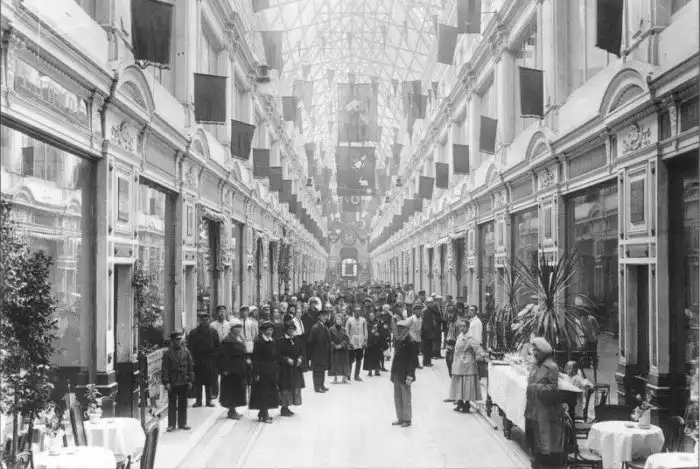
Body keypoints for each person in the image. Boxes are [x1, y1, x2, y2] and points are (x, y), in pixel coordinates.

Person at [525, 337, 564, 469]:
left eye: (536, 350)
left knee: (543, 444)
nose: (534, 353)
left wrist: (537, 388)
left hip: (544, 412)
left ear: (543, 352)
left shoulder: (551, 367)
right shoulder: (535, 365)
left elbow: (554, 390)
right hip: (532, 410)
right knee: (533, 442)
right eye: (533, 350)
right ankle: (534, 462)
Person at [161, 330, 193, 432]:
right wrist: (166, 382)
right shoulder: (167, 353)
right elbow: (165, 369)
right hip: (173, 382)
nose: (179, 341)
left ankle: (183, 423)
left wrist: (190, 380)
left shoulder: (186, 352)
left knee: (183, 404)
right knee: (172, 404)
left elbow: (190, 367)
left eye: (180, 339)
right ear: (172, 341)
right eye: (176, 340)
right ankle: (171, 424)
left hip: (183, 381)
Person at [188, 313, 221, 407]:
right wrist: (192, 360)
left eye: (206, 320)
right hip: (197, 361)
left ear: (209, 321)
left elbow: (218, 346)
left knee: (209, 382)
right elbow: (190, 347)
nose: (204, 322)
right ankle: (198, 401)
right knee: (197, 382)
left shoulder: (213, 332)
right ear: (199, 321)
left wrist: (214, 358)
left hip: (209, 360)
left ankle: (208, 401)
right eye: (202, 320)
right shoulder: (193, 333)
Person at [218, 318, 248, 420]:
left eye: (240, 327)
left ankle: (234, 410)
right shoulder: (227, 341)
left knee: (238, 389)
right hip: (231, 370)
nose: (239, 329)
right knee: (231, 390)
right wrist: (225, 369)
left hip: (239, 368)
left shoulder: (240, 338)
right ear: (231, 329)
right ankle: (231, 411)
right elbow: (223, 356)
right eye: (236, 327)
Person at [449, 320, 483, 413]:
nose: (462, 328)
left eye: (464, 326)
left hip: (467, 363)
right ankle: (460, 402)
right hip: (458, 362)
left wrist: (481, 355)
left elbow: (477, 348)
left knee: (467, 385)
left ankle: (467, 404)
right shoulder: (460, 336)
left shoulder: (470, 337)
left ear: (468, 327)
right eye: (461, 326)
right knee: (459, 383)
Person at [390, 319, 419, 428]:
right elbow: (395, 358)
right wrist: (392, 372)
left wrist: (410, 375)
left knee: (406, 397)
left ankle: (407, 419)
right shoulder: (399, 340)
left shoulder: (411, 342)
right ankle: (400, 417)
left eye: (401, 329)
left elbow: (413, 361)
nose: (399, 330)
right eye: (398, 328)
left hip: (406, 374)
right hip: (397, 373)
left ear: (406, 329)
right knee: (397, 396)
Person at [249, 321, 278, 423]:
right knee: (263, 392)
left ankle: (262, 413)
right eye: (268, 330)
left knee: (269, 392)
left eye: (271, 330)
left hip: (271, 370)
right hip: (262, 371)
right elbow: (255, 359)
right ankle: (265, 415)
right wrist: (256, 373)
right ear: (264, 331)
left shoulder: (272, 341)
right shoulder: (259, 342)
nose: (270, 332)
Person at [276, 321, 305, 416]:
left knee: (293, 387)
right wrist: (286, 359)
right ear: (286, 330)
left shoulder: (296, 339)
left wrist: (300, 358)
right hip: (285, 369)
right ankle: (284, 408)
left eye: (293, 329)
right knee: (285, 388)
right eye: (289, 329)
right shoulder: (280, 341)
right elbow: (277, 355)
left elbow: (301, 351)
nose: (291, 330)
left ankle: (288, 407)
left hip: (295, 368)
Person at [308, 310, 331, 392]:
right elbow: (311, 342)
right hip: (317, 353)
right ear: (318, 317)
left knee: (322, 369)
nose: (325, 317)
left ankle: (321, 385)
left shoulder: (324, 326)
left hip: (323, 352)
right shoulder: (315, 327)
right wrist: (312, 355)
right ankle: (317, 387)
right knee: (317, 370)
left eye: (326, 316)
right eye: (323, 316)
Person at [210, 305, 231, 399]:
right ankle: (214, 392)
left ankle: (225, 391)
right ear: (217, 313)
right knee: (215, 373)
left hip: (226, 351)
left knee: (225, 372)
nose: (222, 313)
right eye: (220, 311)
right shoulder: (212, 325)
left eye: (223, 311)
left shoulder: (229, 324)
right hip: (216, 351)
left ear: (226, 313)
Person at [346, 306, 368, 381]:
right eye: (356, 311)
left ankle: (356, 375)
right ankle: (348, 375)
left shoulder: (363, 320)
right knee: (350, 359)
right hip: (352, 342)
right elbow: (346, 331)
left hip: (360, 342)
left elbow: (365, 331)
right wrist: (349, 341)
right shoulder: (349, 320)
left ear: (360, 312)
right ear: (354, 312)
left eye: (359, 311)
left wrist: (365, 341)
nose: (357, 312)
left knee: (359, 359)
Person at [329, 313, 351, 384]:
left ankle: (344, 378)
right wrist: (334, 345)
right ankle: (335, 378)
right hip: (334, 349)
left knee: (344, 362)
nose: (339, 321)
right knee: (334, 362)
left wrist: (342, 345)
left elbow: (347, 339)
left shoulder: (344, 329)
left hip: (343, 349)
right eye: (337, 319)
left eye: (340, 319)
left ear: (342, 321)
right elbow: (329, 339)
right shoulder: (331, 329)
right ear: (335, 320)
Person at [364, 311, 383, 377]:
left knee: (377, 356)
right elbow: (365, 332)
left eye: (373, 316)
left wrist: (378, 333)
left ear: (374, 316)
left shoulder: (377, 322)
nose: (371, 317)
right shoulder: (367, 323)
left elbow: (381, 330)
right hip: (369, 342)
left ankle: (377, 370)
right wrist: (371, 332)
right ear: (369, 317)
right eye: (370, 316)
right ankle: (370, 371)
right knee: (369, 357)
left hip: (376, 342)